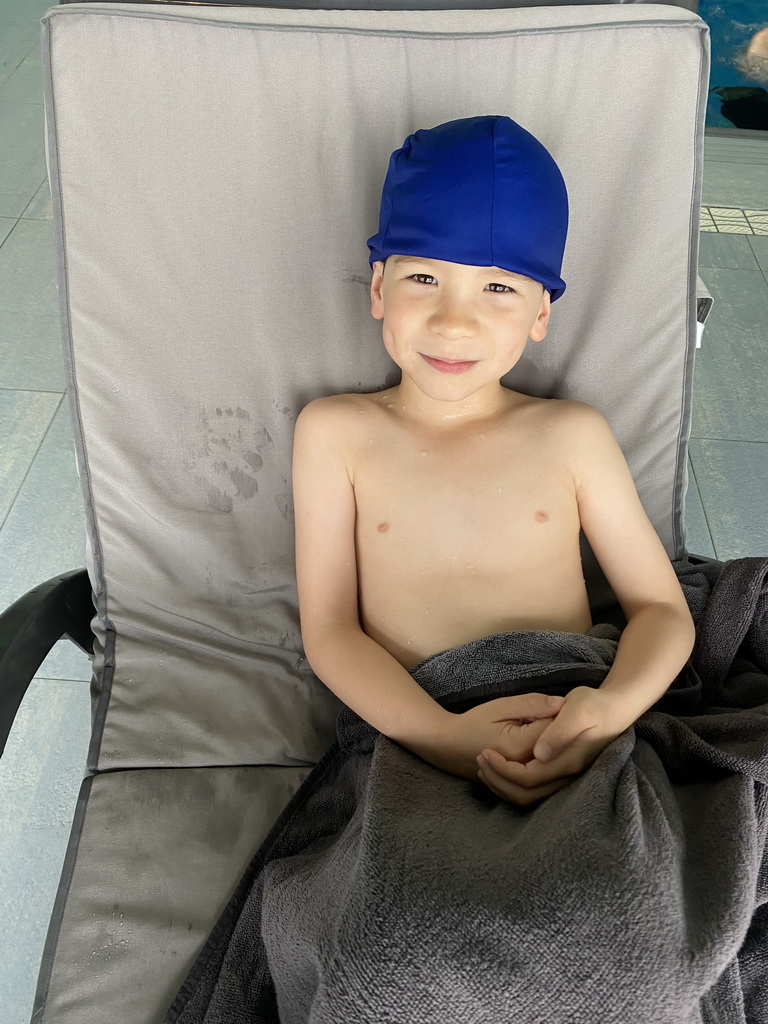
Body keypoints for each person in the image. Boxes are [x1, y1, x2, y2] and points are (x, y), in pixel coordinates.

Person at [292, 115, 696, 807]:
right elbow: (330, 629)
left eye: (499, 288)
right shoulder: (336, 433)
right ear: (379, 288)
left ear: (543, 313)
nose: (455, 322)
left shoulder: (572, 434)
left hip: (575, 707)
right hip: (421, 722)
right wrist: (445, 737)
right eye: (425, 278)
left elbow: (661, 608)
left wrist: (606, 714)